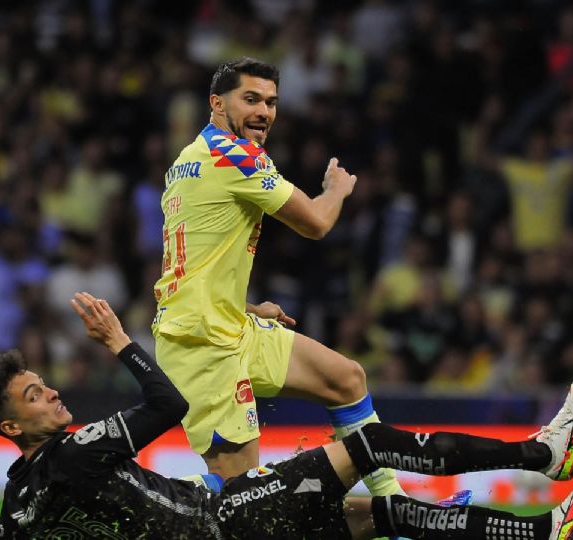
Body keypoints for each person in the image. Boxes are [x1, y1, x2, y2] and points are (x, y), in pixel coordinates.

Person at [0, 292, 573, 539]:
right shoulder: (78, 450)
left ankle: (545, 533)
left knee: (374, 514)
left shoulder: (22, 498)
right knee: (370, 443)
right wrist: (118, 344)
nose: (52, 394)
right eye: (34, 396)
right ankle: (543, 456)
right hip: (232, 521)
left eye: (44, 384)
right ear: (11, 430)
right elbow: (169, 404)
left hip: (229, 525)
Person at [151, 56, 401, 495]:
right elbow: (316, 224)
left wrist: (244, 306)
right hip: (203, 345)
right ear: (216, 103)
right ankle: (125, 499)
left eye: (270, 102)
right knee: (242, 496)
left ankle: (397, 509)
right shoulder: (236, 156)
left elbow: (188, 270)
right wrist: (336, 190)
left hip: (228, 324)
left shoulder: (186, 160)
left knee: (346, 380)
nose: (264, 112)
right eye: (250, 99)